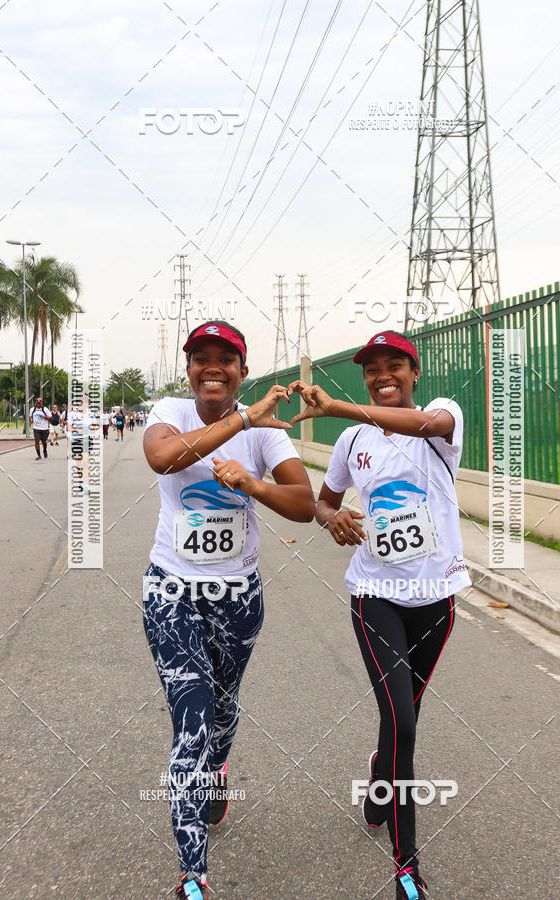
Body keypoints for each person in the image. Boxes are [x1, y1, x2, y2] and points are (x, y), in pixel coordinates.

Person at [289, 331, 471, 900]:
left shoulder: (443, 418)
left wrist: (335, 404)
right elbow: (324, 499)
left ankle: (380, 769)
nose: (382, 375)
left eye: (395, 366)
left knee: (402, 719)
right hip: (375, 595)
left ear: (414, 373)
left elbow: (426, 426)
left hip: (436, 599)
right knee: (405, 722)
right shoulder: (350, 442)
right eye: (372, 369)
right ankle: (407, 868)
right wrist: (330, 518)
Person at [142, 321, 314, 900]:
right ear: (188, 369)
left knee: (222, 710)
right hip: (172, 592)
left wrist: (252, 484)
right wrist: (240, 420)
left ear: (243, 371)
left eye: (226, 360)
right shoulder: (170, 409)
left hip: (238, 596)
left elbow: (302, 504)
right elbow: (162, 460)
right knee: (189, 723)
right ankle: (194, 876)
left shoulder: (266, 434)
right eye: (201, 359)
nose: (212, 368)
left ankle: (218, 772)